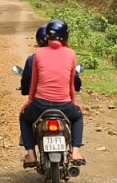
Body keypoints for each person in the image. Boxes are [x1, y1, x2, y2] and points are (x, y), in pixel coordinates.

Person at [20, 19, 85, 167]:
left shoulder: (38, 53)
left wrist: (29, 102)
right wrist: (73, 103)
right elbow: (70, 84)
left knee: (24, 118)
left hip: (40, 104)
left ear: (47, 36)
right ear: (65, 36)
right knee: (78, 117)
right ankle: (75, 152)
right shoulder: (71, 53)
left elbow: (35, 82)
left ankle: (31, 156)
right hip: (64, 105)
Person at [18, 25, 81, 95]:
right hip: (63, 102)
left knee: (28, 106)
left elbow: (25, 89)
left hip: (40, 101)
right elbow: (77, 85)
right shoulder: (68, 55)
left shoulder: (32, 59)